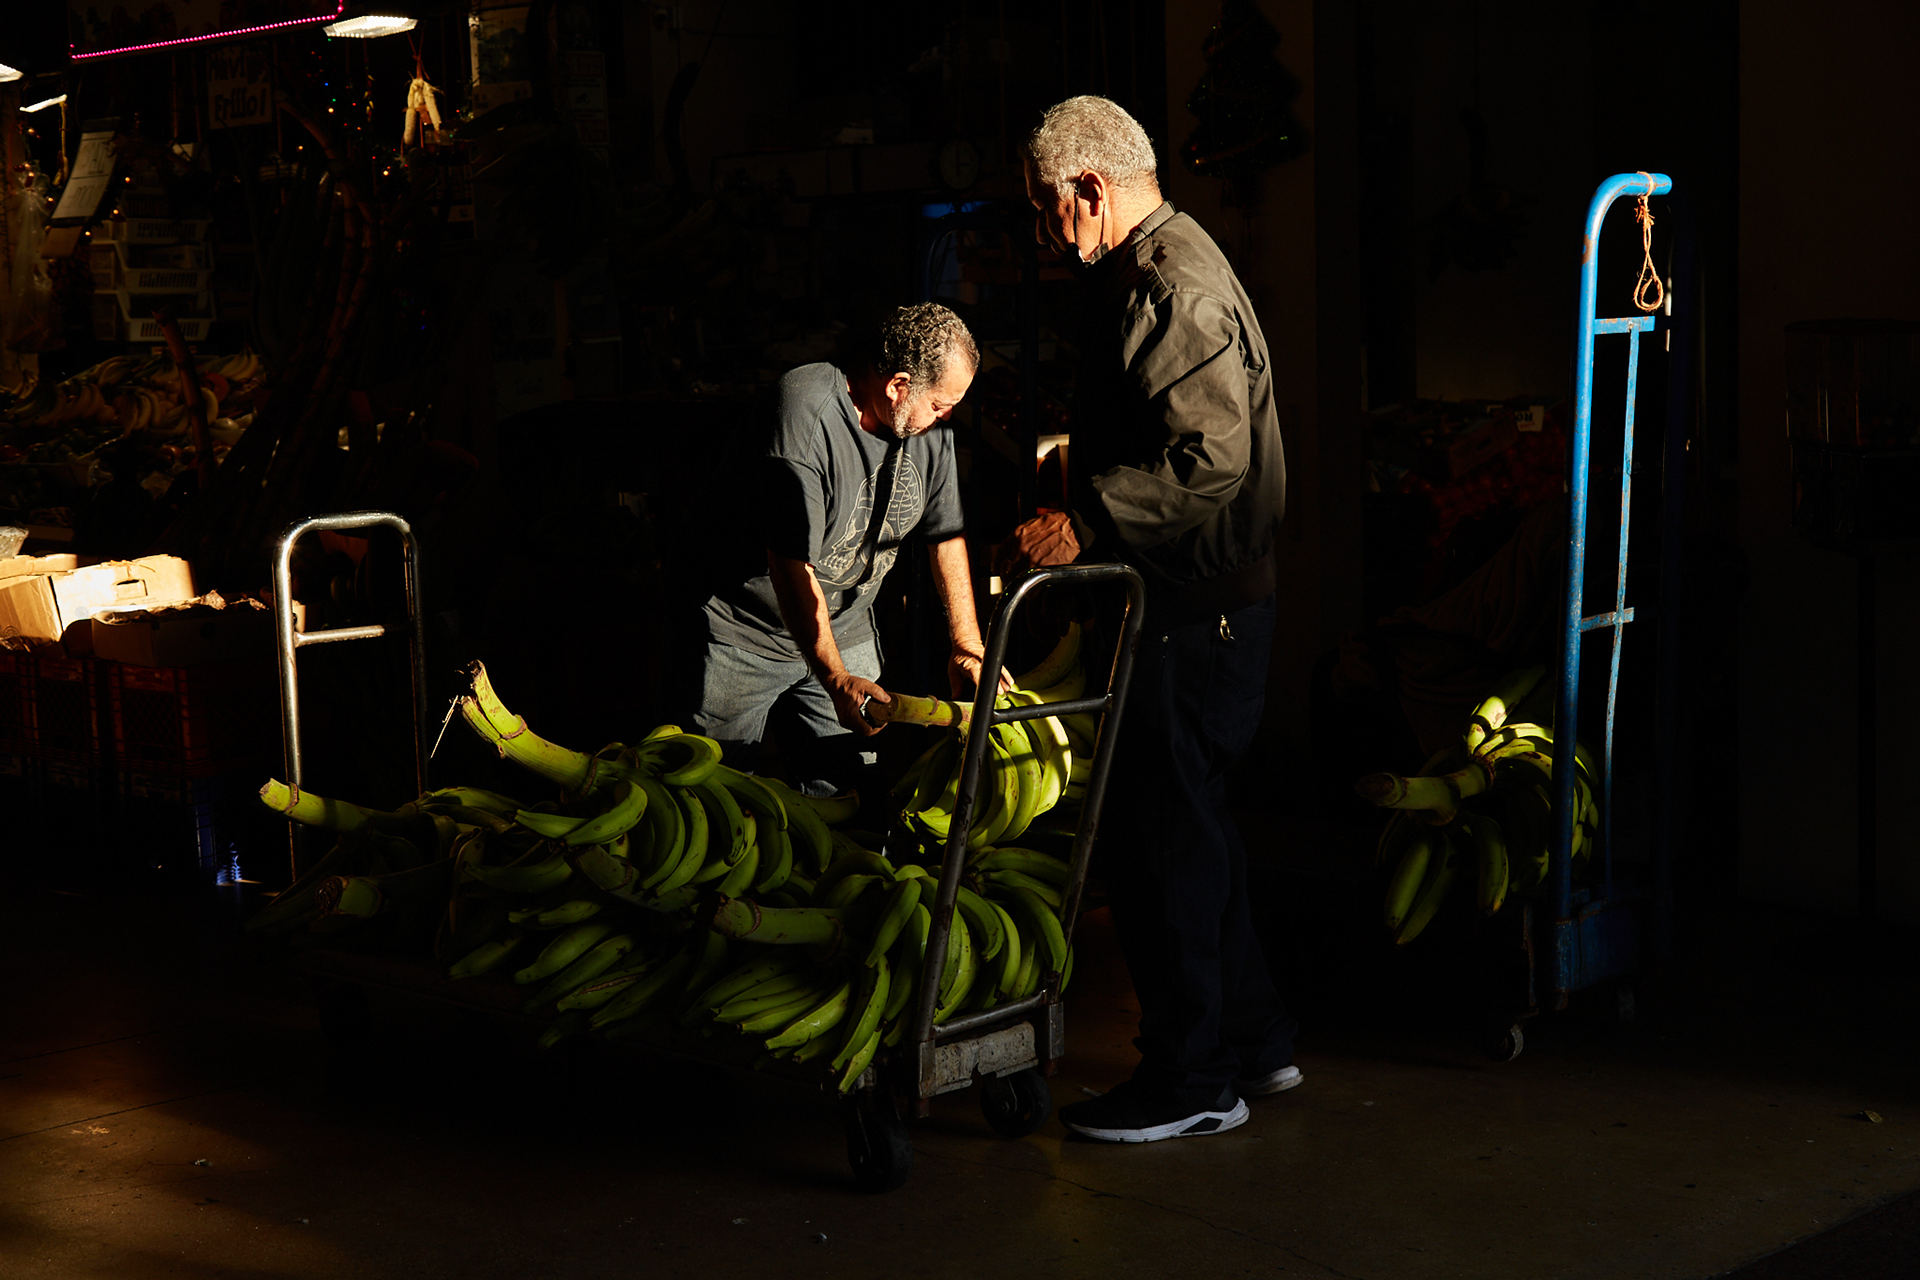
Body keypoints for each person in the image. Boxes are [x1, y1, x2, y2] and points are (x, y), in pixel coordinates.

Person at [1000, 95, 1299, 1143]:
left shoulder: (1174, 285)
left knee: (1160, 837)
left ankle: (1192, 1076)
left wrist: (1084, 520)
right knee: (1197, 824)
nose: (1045, 228)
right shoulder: (1163, 261)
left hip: (1195, 619)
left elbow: (1209, 463)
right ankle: (1255, 1039)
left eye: (1048, 207)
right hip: (1202, 609)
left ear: (1091, 190)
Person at [695, 303, 1000, 797]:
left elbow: (945, 536)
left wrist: (968, 644)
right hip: (745, 634)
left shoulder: (931, 431)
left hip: (847, 625)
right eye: (940, 405)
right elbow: (792, 565)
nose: (948, 418)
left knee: (848, 794)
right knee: (713, 798)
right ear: (898, 385)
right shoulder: (804, 411)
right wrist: (834, 677)